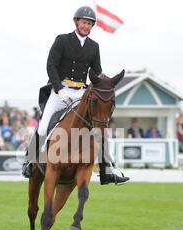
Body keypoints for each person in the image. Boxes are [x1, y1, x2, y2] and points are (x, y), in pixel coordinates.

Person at [21, 6, 129, 185]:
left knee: (98, 128)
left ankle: (106, 172)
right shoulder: (62, 40)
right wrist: (58, 89)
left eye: (89, 24)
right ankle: (29, 161)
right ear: (76, 22)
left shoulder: (94, 47)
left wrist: (105, 83)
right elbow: (51, 65)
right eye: (84, 22)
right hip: (60, 91)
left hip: (80, 92)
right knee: (43, 126)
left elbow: (97, 71)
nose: (86, 26)